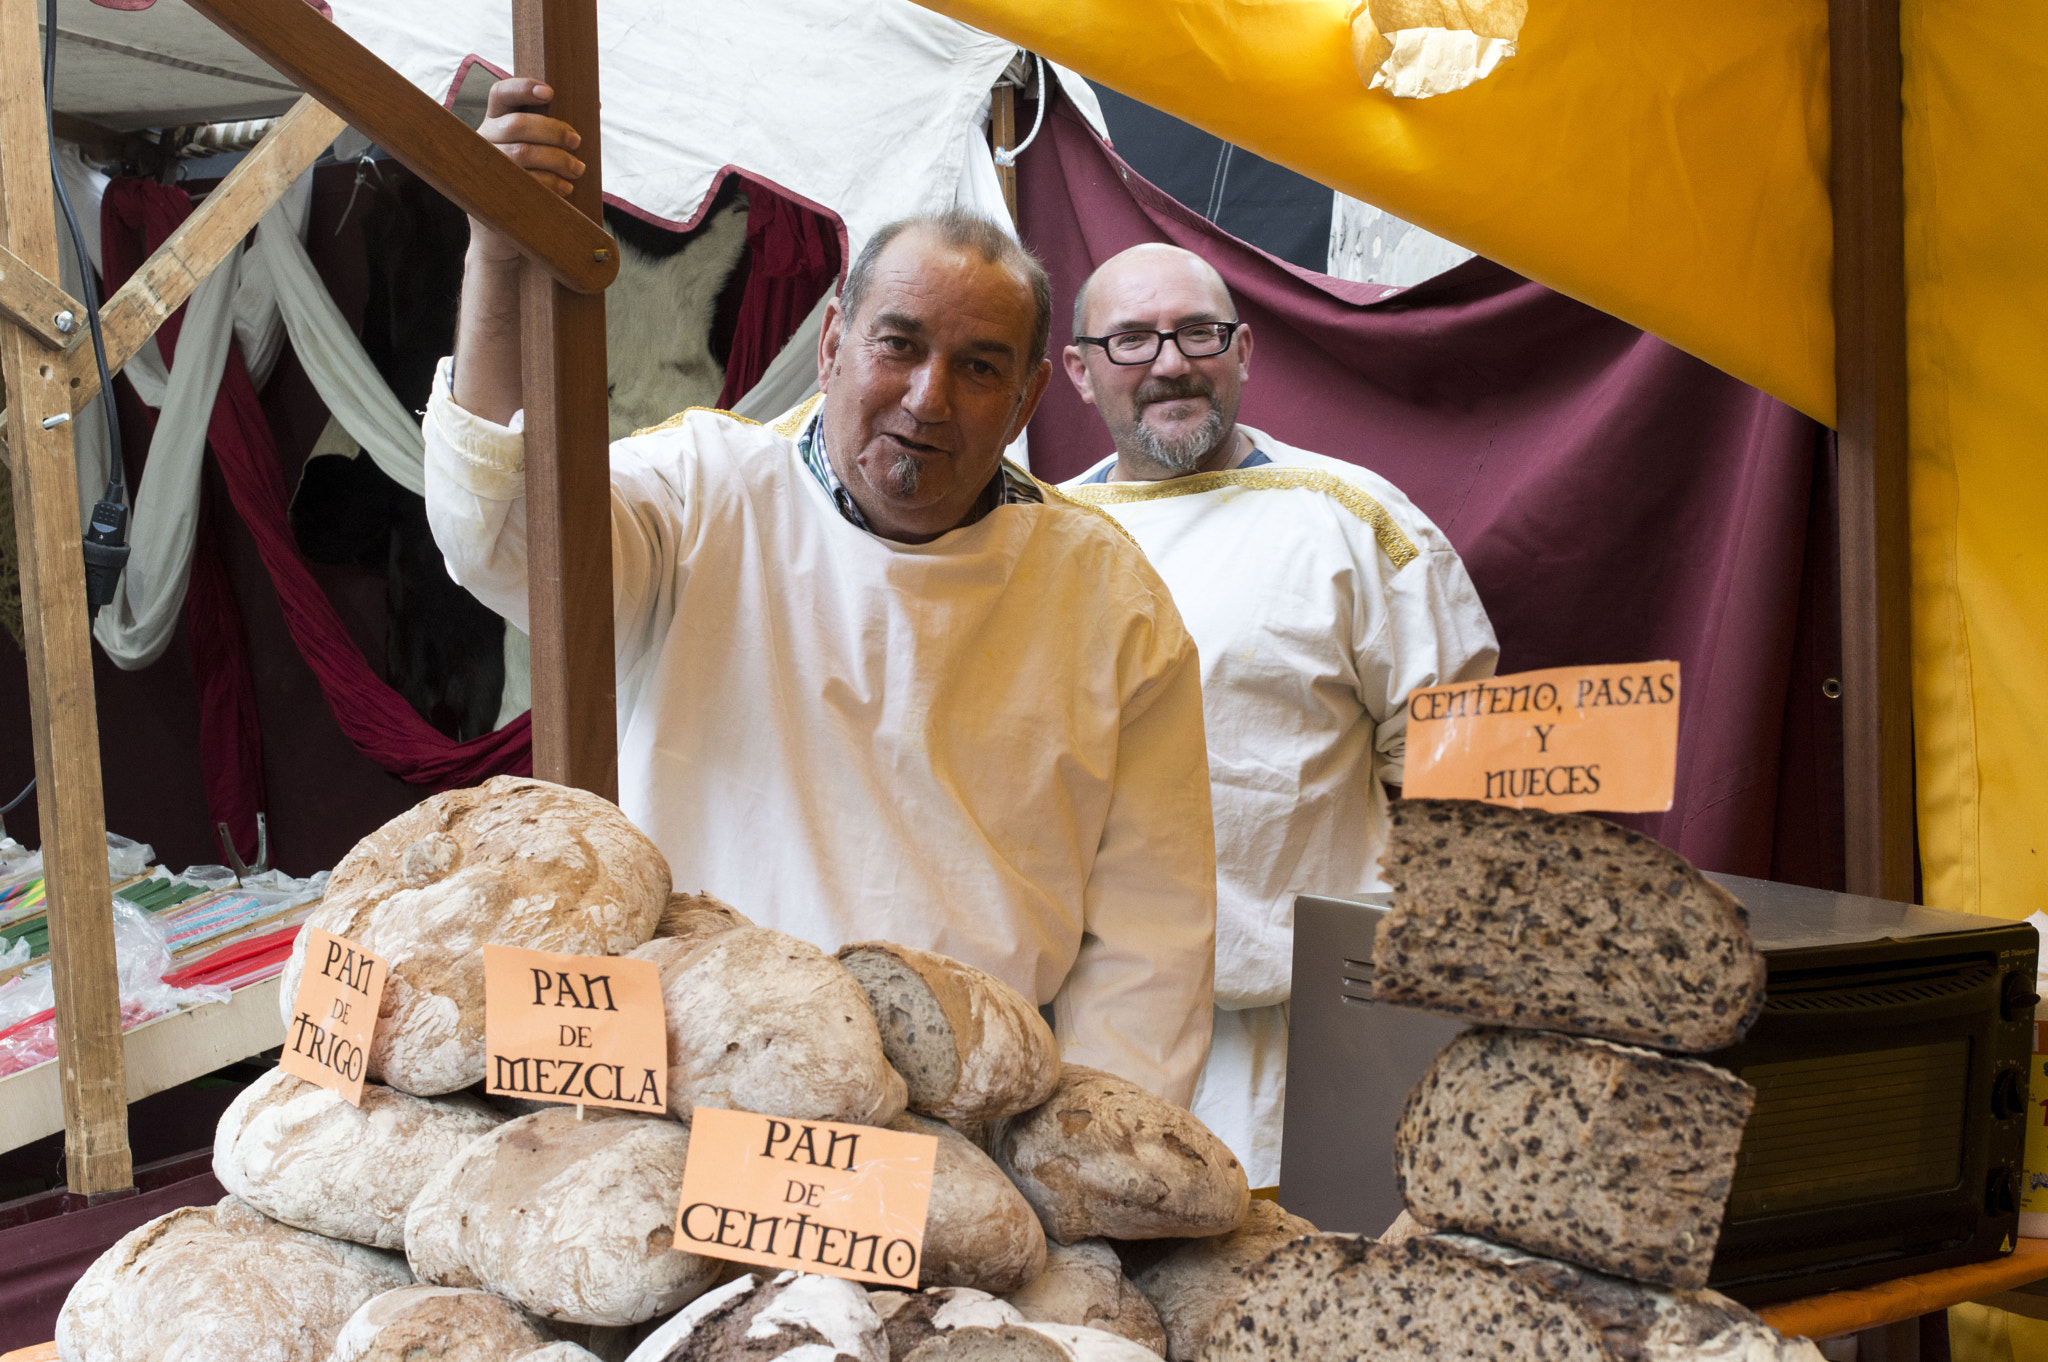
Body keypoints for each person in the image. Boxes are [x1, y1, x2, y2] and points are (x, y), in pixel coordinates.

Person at [425, 81, 1217, 1104]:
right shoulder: (701, 493)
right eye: (899, 344)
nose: (928, 399)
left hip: (960, 1124)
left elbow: (1149, 942)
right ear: (833, 342)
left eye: (978, 367)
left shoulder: (1108, 595)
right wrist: (496, 255)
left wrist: (1096, 1167)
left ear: (1025, 396)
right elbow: (497, 540)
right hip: (688, 1088)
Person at [1059, 243, 1499, 1184]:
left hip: (1304, 1046)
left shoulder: (1356, 524)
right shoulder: (1041, 539)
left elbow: (1455, 781)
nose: (1170, 363)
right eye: (1131, 339)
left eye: (1198, 333)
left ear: (1246, 348)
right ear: (1078, 369)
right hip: (1088, 1046)